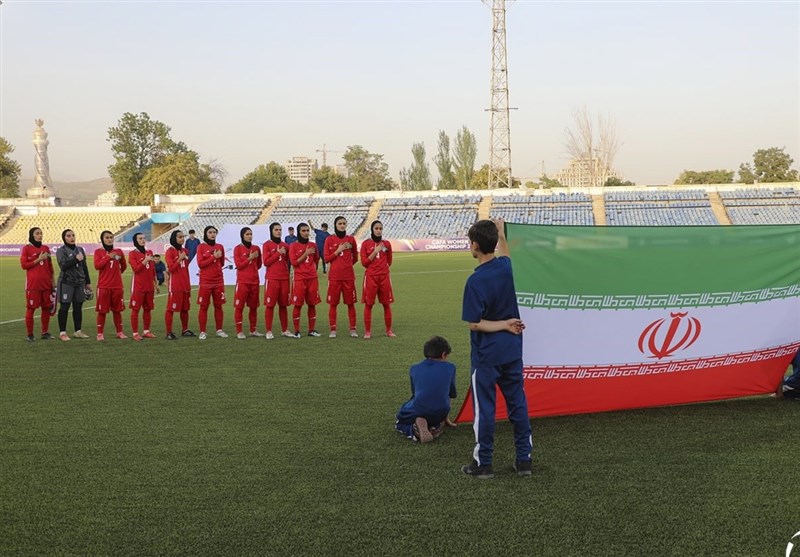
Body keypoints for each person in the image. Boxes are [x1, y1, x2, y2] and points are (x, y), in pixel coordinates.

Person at [461, 218, 532, 480]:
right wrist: (502, 234)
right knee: (518, 405)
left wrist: (502, 324)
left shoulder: (475, 281)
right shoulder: (505, 267)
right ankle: (524, 460)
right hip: (512, 351)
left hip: (487, 355)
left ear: (475, 246)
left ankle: (484, 464)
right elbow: (506, 253)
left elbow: (474, 324)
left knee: (486, 409)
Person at [395, 336, 457, 443]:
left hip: (421, 408)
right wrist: (446, 418)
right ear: (443, 355)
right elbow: (451, 393)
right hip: (442, 411)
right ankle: (434, 426)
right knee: (436, 407)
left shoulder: (414, 368)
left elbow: (415, 393)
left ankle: (414, 429)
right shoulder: (450, 367)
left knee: (400, 420)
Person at [324, 216, 358, 338]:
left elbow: (355, 257)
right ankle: (333, 330)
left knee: (351, 304)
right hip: (334, 278)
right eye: (340, 223)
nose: (342, 225)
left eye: (344, 223)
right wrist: (338, 251)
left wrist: (347, 265)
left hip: (348, 277)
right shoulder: (329, 239)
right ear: (335, 225)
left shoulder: (351, 239)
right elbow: (327, 259)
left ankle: (353, 329)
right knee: (333, 304)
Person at [360, 220, 395, 339]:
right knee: (369, 304)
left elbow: (389, 261)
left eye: (380, 228)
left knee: (386, 304)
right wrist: (375, 251)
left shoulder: (387, 244)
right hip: (370, 277)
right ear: (372, 230)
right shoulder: (366, 244)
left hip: (384, 277)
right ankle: (368, 332)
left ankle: (389, 330)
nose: (379, 231)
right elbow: (364, 263)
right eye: (376, 228)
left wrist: (382, 269)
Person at [55, 229, 91, 341]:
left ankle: (78, 331)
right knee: (65, 307)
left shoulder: (80, 249)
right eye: (68, 236)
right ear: (64, 238)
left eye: (73, 235)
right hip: (66, 282)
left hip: (79, 282)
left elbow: (84, 266)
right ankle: (62, 332)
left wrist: (88, 282)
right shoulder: (61, 251)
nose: (71, 237)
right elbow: (63, 266)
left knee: (78, 307)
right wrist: (75, 259)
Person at [20, 227, 55, 341]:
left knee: (46, 309)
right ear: (32, 235)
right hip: (33, 285)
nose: (40, 235)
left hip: (46, 285)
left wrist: (53, 282)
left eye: (41, 233)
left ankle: (45, 332)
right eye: (37, 233)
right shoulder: (26, 249)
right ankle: (30, 334)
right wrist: (38, 259)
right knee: (31, 309)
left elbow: (50, 267)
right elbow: (24, 265)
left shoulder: (46, 248)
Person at [288, 223, 321, 338]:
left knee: (312, 304)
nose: (306, 233)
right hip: (299, 279)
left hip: (312, 278)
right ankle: (297, 331)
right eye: (303, 231)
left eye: (307, 230)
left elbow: (316, 259)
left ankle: (311, 330)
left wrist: (312, 270)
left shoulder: (313, 245)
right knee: (298, 305)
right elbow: (294, 263)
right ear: (299, 232)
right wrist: (305, 254)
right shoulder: (293, 246)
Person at [94, 230, 128, 341]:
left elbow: (123, 266)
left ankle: (120, 332)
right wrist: (108, 257)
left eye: (111, 237)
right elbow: (97, 266)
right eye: (107, 237)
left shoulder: (119, 251)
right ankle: (100, 334)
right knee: (102, 311)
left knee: (117, 310)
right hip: (103, 286)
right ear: (102, 240)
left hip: (117, 286)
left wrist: (116, 275)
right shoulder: (98, 252)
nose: (109, 239)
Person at [196, 225, 227, 339]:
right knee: (204, 306)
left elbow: (222, 263)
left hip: (218, 281)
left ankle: (219, 329)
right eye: (210, 232)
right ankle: (202, 331)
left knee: (218, 306)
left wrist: (215, 259)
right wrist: (213, 257)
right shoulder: (201, 247)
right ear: (205, 234)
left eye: (214, 232)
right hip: (205, 282)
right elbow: (200, 264)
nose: (212, 234)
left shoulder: (220, 246)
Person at [262, 222, 293, 339]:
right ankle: (269, 331)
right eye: (276, 230)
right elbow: (266, 262)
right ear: (271, 231)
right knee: (270, 305)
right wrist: (277, 253)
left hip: (284, 279)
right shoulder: (266, 245)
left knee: (283, 305)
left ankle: (285, 330)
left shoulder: (286, 245)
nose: (278, 231)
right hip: (272, 279)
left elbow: (290, 260)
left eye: (280, 229)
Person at [233, 226, 264, 339]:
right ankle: (239, 331)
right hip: (242, 282)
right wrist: (250, 258)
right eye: (247, 234)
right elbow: (239, 265)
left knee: (253, 307)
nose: (250, 236)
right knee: (239, 307)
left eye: (251, 234)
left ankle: (253, 330)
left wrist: (252, 267)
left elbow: (259, 264)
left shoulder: (256, 248)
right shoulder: (237, 249)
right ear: (242, 236)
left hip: (254, 282)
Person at [164, 230, 193, 340]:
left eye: (183, 237)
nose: (182, 239)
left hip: (185, 284)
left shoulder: (185, 251)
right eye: (180, 237)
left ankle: (185, 330)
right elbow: (170, 269)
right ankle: (168, 332)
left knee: (185, 309)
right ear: (174, 238)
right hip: (175, 286)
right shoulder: (170, 252)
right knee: (171, 309)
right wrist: (180, 258)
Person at [128, 232, 158, 341]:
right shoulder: (132, 254)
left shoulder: (149, 252)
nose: (143, 240)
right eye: (140, 238)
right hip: (138, 287)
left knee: (148, 309)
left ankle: (146, 331)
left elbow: (152, 269)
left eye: (144, 238)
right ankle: (135, 333)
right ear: (135, 241)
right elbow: (136, 269)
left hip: (149, 287)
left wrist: (156, 283)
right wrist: (145, 260)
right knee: (135, 310)